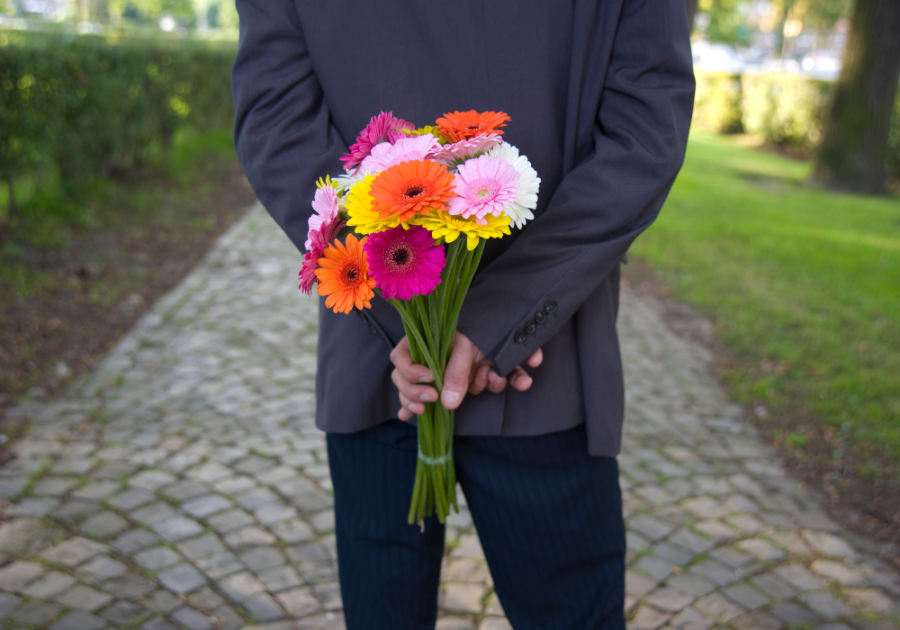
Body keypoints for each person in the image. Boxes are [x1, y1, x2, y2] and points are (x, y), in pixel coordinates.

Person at [232, 1, 694, 628]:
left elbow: (277, 125)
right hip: (526, 366)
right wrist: (493, 318)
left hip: (395, 365)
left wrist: (412, 311)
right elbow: (646, 136)